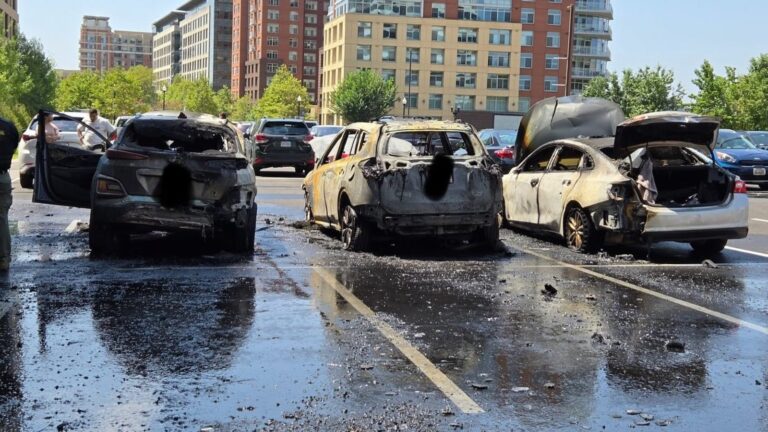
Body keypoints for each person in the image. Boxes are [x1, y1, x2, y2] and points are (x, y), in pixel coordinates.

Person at [0, 117, 19, 271]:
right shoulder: (9, 127)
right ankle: (4, 259)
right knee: (2, 219)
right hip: (3, 176)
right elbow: (14, 146)